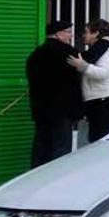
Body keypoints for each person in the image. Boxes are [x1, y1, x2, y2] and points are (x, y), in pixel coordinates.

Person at [25, 21, 83, 167]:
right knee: (61, 147)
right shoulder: (69, 53)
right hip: (63, 109)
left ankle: (36, 178)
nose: (71, 35)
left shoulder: (36, 54)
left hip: (41, 109)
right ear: (59, 34)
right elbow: (74, 81)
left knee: (41, 146)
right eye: (68, 32)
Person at [68, 19, 109, 142]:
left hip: (104, 98)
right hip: (102, 96)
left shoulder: (105, 51)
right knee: (100, 136)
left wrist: (82, 66)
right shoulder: (100, 49)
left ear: (96, 34)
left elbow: (103, 73)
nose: (83, 35)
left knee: (101, 138)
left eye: (86, 32)